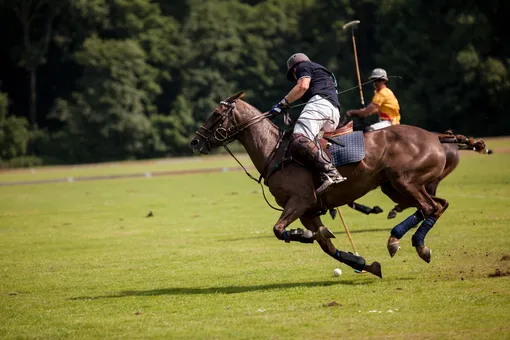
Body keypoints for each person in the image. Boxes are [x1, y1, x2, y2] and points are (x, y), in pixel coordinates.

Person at [270, 53, 346, 195]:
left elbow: (302, 86)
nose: (295, 79)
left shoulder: (302, 66)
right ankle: (322, 178)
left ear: (294, 70)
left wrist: (281, 104)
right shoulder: (322, 72)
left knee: (299, 138)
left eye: (294, 76)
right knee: (313, 144)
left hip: (320, 106)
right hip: (333, 113)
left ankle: (331, 173)